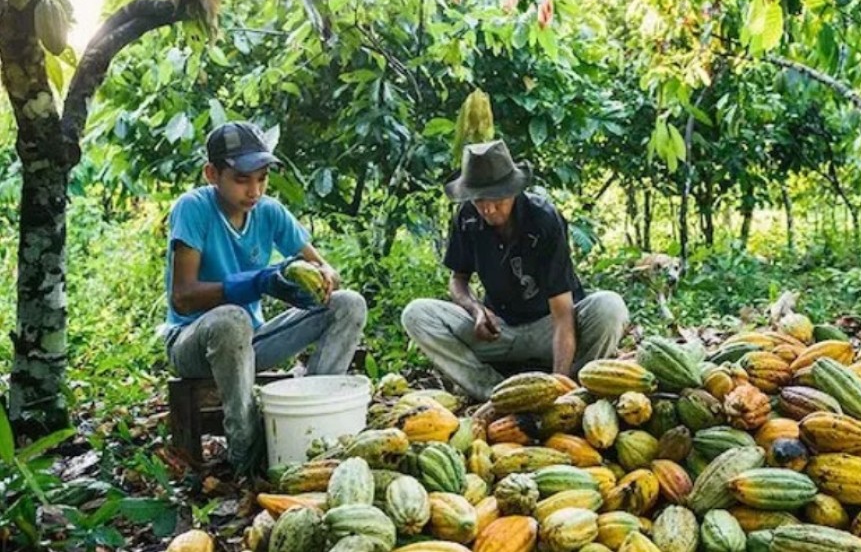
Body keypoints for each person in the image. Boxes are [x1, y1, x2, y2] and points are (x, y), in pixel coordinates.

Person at [161, 121, 367, 472]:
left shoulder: (268, 212)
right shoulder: (193, 209)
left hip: (250, 341)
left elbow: (324, 266)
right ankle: (246, 451)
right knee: (231, 318)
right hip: (192, 342)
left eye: (261, 179)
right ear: (212, 174)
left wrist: (318, 278)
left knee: (348, 304)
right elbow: (183, 296)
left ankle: (313, 418)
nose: (253, 190)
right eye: (242, 180)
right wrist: (255, 282)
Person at [402, 139, 629, 401]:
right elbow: (458, 279)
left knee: (610, 306)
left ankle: (575, 388)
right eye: (478, 199)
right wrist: (475, 309)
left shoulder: (543, 218)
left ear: (512, 190)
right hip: (500, 331)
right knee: (416, 314)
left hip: (549, 328)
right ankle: (494, 392)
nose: (486, 207)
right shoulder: (467, 217)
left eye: (495, 198)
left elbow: (563, 314)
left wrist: (557, 390)